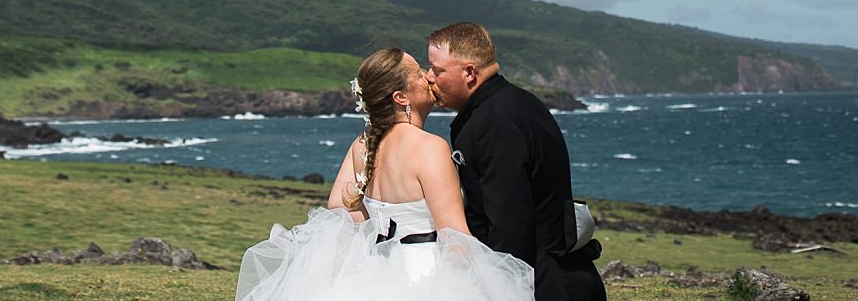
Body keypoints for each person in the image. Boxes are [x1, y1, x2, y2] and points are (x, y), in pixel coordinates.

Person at [235, 47, 535, 300]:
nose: (429, 77)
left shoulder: (363, 143)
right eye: (419, 73)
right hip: (426, 277)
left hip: (374, 270)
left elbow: (337, 209)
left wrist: (379, 223)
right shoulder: (429, 148)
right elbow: (455, 239)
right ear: (401, 98)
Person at [427, 22, 606, 301]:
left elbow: (509, 223)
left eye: (437, 70)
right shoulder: (512, 102)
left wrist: (497, 289)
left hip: (541, 283)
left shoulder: (493, 122)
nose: (429, 77)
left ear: (470, 73)